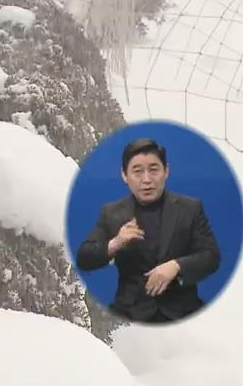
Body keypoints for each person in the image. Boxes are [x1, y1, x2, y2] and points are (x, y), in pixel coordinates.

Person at [75, 138, 222, 323]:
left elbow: (211, 256)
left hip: (184, 314)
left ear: (166, 171)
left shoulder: (190, 208)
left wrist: (176, 266)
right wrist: (116, 243)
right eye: (137, 172)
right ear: (124, 175)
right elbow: (84, 258)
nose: (146, 179)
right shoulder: (111, 212)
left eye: (154, 170)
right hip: (129, 315)